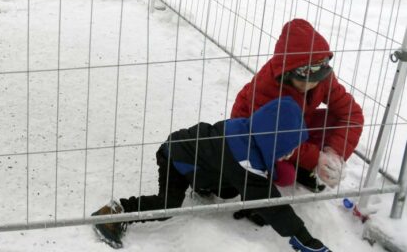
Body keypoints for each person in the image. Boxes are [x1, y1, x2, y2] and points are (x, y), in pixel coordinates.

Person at [91, 97, 333, 252]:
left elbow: (256, 183)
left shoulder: (246, 131)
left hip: (196, 154)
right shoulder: (244, 158)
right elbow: (273, 203)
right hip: (175, 157)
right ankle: (113, 213)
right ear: (273, 139)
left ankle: (203, 184)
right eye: (287, 148)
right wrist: (306, 241)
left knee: (230, 189)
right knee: (168, 205)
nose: (289, 154)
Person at [232, 19, 364, 192]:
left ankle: (304, 165)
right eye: (302, 79)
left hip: (294, 124)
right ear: (287, 72)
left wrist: (334, 154)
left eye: (315, 80)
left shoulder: (323, 78)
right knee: (286, 175)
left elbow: (352, 113)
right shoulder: (266, 85)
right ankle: (282, 167)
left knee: (332, 120)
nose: (310, 84)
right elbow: (273, 136)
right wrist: (315, 158)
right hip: (257, 133)